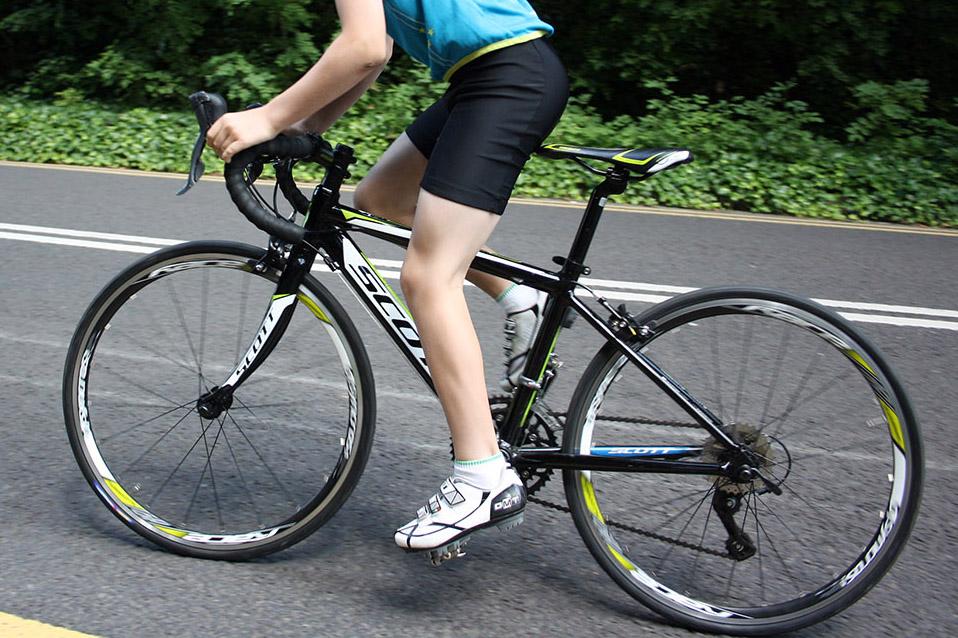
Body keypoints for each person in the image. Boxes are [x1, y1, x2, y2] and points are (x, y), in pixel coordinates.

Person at [206, 0, 569, 558]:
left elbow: (364, 48)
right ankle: (523, 298)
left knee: (427, 277)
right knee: (381, 198)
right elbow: (375, 55)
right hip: (490, 76)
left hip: (504, 78)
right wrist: (305, 128)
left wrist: (267, 118)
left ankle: (481, 476)